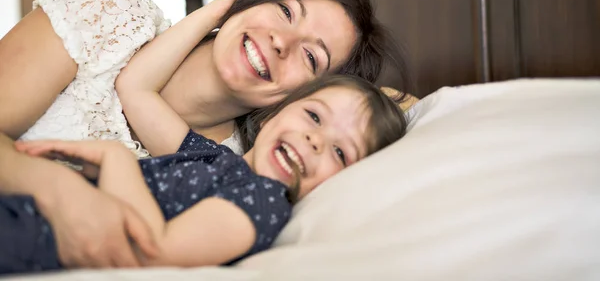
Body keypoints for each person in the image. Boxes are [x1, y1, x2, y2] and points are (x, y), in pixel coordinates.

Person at [0, 0, 411, 267]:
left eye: (310, 56)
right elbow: (133, 88)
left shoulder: (242, 176)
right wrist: (218, 11)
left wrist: (376, 102)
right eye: (285, 12)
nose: (280, 42)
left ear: (309, 91)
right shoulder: (111, 17)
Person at [0, 74, 408, 274]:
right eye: (314, 116)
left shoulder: (262, 203)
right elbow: (137, 88)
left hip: (39, 238)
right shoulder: (215, 158)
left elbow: (153, 252)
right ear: (272, 117)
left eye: (340, 150)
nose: (315, 140)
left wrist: (116, 160)